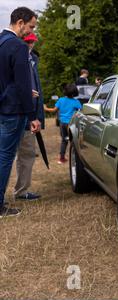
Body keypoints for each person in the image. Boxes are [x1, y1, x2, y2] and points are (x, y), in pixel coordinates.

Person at [0, 7, 40, 218]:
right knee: (5, 157)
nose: (30, 31)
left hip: (4, 105)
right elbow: (23, 84)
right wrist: (32, 116)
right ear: (20, 22)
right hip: (14, 111)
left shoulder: (1, 41)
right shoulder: (17, 45)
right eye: (31, 26)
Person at [13, 32, 45, 201]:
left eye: (32, 42)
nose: (30, 44)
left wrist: (37, 116)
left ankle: (22, 191)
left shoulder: (33, 60)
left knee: (27, 154)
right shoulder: (12, 56)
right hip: (11, 113)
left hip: (28, 115)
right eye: (27, 41)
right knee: (6, 155)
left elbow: (36, 89)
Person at [44, 84, 81, 164]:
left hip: (62, 123)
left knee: (64, 140)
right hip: (71, 124)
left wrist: (45, 108)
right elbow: (81, 112)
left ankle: (61, 158)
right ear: (75, 92)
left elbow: (54, 110)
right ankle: (75, 159)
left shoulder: (61, 100)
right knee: (74, 141)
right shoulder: (76, 102)